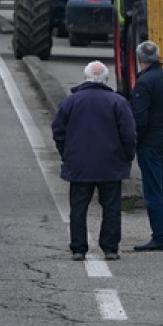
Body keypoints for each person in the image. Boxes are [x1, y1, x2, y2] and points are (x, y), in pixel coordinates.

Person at [52, 60, 137, 261]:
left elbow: (58, 132)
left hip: (79, 165)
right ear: (105, 79)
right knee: (111, 207)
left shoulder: (70, 102)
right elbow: (129, 134)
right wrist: (127, 156)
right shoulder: (118, 102)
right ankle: (110, 248)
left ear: (85, 77)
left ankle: (79, 248)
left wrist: (66, 154)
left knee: (79, 207)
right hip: (111, 163)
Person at [131, 40, 163, 251]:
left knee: (153, 191)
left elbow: (139, 118)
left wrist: (135, 139)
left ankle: (160, 237)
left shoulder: (144, 83)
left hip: (151, 142)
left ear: (140, 58)